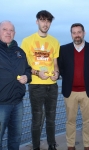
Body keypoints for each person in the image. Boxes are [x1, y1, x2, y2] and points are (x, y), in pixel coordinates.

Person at [21, 10, 60, 150]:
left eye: (48, 21)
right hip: (36, 85)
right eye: (43, 20)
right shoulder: (27, 41)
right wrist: (37, 73)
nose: (45, 23)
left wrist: (56, 73)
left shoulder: (55, 42)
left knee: (51, 119)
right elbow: (24, 66)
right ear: (37, 21)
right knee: (36, 120)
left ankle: (52, 144)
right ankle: (36, 147)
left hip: (52, 85)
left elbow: (55, 63)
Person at [58, 23, 89, 150]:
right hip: (70, 92)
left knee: (87, 121)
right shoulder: (63, 49)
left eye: (79, 32)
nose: (77, 35)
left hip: (87, 91)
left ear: (84, 33)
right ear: (71, 34)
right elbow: (61, 68)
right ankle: (71, 145)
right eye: (74, 32)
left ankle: (87, 145)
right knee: (70, 121)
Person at [0, 21, 31, 150]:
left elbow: (28, 69)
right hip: (1, 104)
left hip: (18, 103)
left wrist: (27, 77)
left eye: (11, 30)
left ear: (15, 33)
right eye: (5, 29)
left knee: (15, 139)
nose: (8, 32)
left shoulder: (20, 52)